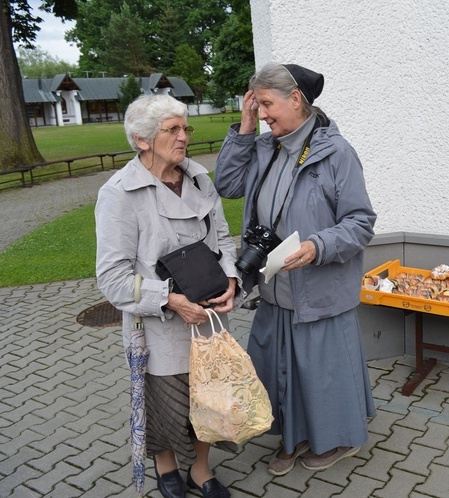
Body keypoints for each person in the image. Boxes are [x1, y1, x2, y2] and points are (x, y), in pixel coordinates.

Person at [213, 63, 377, 475]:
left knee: (322, 374)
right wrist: (246, 127)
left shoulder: (336, 153)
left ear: (296, 99)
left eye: (267, 104)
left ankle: (337, 440)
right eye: (258, 105)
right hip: (273, 286)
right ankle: (293, 437)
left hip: (318, 287)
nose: (264, 112)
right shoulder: (267, 147)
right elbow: (228, 184)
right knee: (281, 370)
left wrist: (317, 245)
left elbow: (360, 222)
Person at [95, 94, 237, 498]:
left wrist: (230, 280)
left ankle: (201, 469)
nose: (184, 137)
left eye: (185, 128)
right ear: (142, 139)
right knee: (166, 405)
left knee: (209, 400)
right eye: (172, 129)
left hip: (210, 317)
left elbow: (223, 240)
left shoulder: (198, 179)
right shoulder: (120, 194)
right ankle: (166, 466)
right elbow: (112, 278)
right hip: (160, 325)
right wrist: (171, 300)